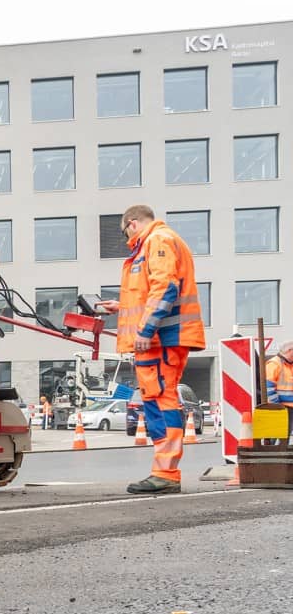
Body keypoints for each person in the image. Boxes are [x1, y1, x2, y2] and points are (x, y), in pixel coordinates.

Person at [96, 204, 205, 494]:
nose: (126, 239)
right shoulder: (163, 241)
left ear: (131, 223)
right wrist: (123, 307)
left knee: (162, 399)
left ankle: (166, 473)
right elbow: (156, 291)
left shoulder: (157, 240)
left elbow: (165, 287)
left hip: (161, 338)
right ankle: (164, 471)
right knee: (157, 399)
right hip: (163, 337)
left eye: (125, 233)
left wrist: (146, 329)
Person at [266, 340, 293, 431]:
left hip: (289, 407)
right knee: (277, 433)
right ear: (290, 350)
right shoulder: (274, 364)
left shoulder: (289, 365)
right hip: (280, 407)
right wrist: (277, 406)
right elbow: (268, 388)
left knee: (284, 434)